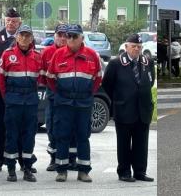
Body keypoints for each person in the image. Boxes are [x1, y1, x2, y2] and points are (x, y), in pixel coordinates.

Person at [46, 24, 103, 183]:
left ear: (82, 38)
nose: (70, 39)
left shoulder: (92, 55)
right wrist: (61, 92)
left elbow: (98, 78)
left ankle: (83, 171)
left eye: (74, 36)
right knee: (62, 136)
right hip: (63, 101)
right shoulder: (58, 54)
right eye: (68, 36)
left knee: (83, 136)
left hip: (83, 102)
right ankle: (62, 170)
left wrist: (87, 93)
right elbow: (50, 78)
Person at [102, 34, 155, 183]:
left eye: (139, 47)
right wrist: (120, 98)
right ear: (126, 47)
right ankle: (124, 171)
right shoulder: (116, 64)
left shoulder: (147, 62)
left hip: (143, 110)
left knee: (141, 144)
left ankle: (140, 171)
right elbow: (107, 85)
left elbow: (150, 82)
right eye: (133, 46)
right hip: (124, 109)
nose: (136, 49)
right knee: (124, 144)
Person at [0, 25, 42, 183]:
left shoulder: (37, 56)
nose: (24, 38)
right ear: (16, 38)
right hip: (13, 101)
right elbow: (1, 80)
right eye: (21, 35)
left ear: (31, 39)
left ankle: (28, 169)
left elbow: (42, 79)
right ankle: (11, 169)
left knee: (29, 136)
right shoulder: (8, 54)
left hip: (30, 102)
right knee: (12, 136)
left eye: (27, 36)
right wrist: (8, 98)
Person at [0, 7, 22, 173]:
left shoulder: (24, 37)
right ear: (4, 20)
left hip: (18, 90)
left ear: (19, 22)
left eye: (14, 21)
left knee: (18, 125)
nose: (11, 23)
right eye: (8, 20)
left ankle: (20, 159)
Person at [40, 24, 76, 172]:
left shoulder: (74, 51)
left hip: (71, 98)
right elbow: (42, 76)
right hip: (54, 98)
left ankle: (72, 159)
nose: (62, 38)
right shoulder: (47, 52)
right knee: (52, 128)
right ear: (54, 36)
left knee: (72, 128)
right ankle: (54, 159)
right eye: (59, 35)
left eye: (65, 35)